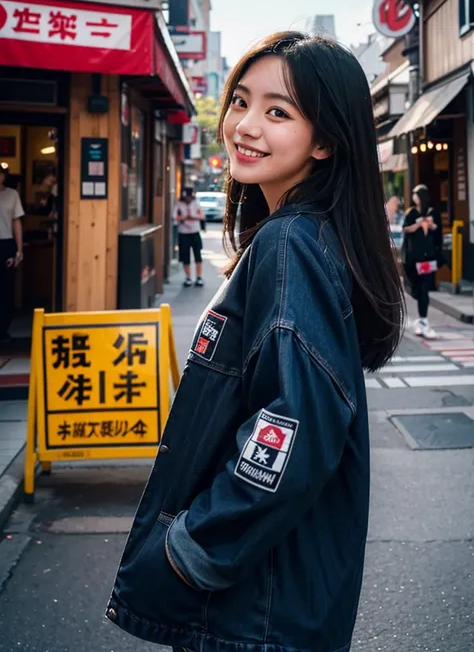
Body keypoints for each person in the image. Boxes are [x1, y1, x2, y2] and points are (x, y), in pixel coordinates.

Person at [106, 32, 404, 652]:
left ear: (325, 141)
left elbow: (293, 427)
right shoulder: (306, 237)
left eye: (278, 112)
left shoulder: (290, 243)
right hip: (278, 598)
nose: (244, 125)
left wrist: (192, 548)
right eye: (241, 101)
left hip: (255, 610)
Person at [402, 184, 442, 339]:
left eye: (416, 195)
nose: (414, 197)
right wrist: (418, 224)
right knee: (414, 287)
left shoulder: (433, 213)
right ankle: (421, 317)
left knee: (424, 287)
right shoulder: (411, 213)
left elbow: (438, 231)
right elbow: (406, 228)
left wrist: (431, 225)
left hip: (427, 257)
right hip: (412, 257)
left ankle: (424, 320)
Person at [0, 165, 24, 343]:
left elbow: (16, 222)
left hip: (6, 243)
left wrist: (19, 249)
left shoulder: (12, 195)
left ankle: (3, 329)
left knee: (5, 288)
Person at [173, 186, 205, 287]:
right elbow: (174, 217)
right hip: (183, 232)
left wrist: (193, 217)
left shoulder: (196, 203)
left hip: (195, 231)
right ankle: (188, 277)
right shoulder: (179, 204)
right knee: (185, 255)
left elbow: (201, 216)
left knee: (197, 254)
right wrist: (184, 217)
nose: (188, 199)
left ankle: (199, 277)